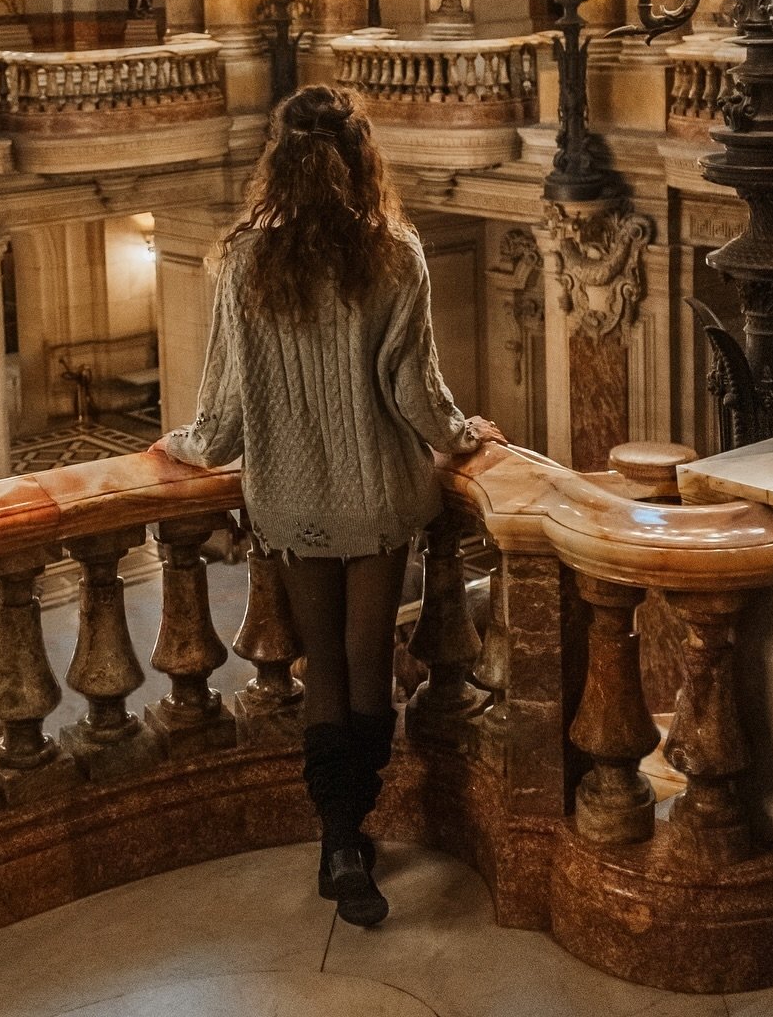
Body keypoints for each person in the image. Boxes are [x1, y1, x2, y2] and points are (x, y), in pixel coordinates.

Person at [155, 84, 503, 927]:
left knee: (322, 669)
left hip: (289, 498)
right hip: (379, 494)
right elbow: (417, 392)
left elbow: (226, 414)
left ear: (280, 162)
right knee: (368, 662)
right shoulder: (395, 254)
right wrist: (463, 435)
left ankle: (338, 841)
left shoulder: (244, 260)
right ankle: (357, 818)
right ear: (361, 159)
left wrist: (185, 444)